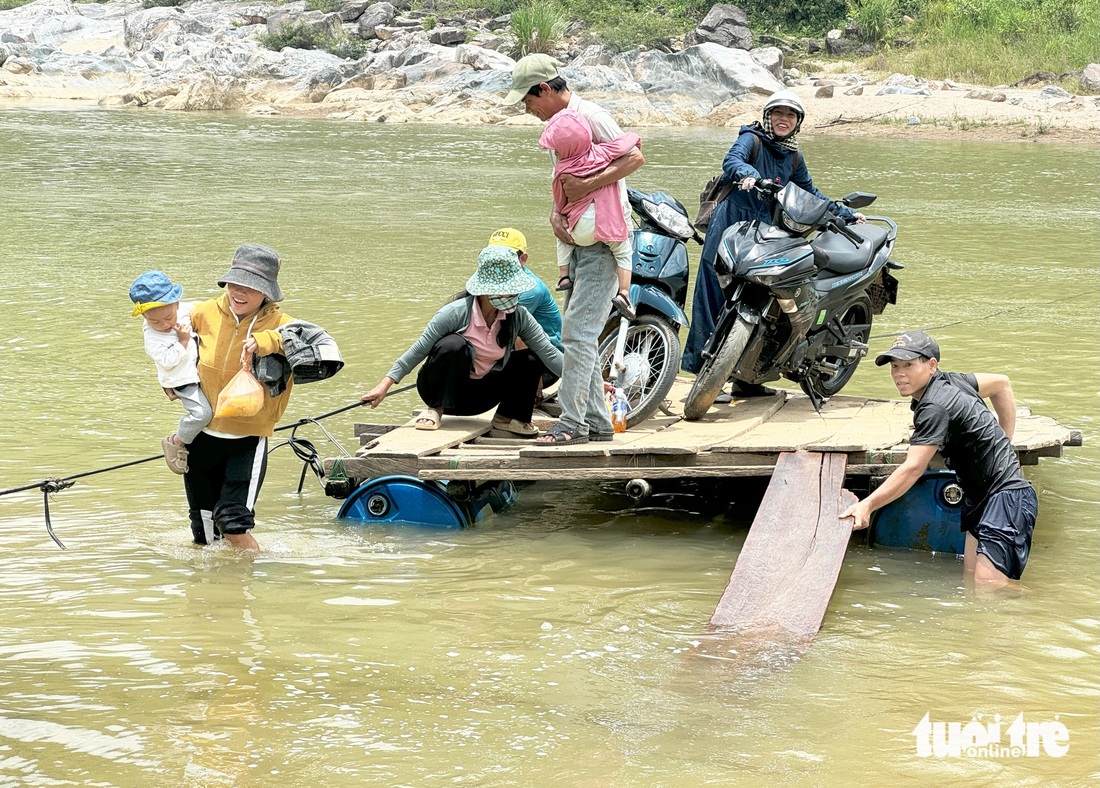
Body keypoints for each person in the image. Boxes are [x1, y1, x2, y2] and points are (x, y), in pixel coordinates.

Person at [504, 54, 645, 445]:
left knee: (577, 334)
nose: (527, 108)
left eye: (528, 100)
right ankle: (598, 423)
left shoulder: (591, 116)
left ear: (545, 90)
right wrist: (555, 213)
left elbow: (634, 156)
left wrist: (587, 186)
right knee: (578, 333)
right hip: (578, 238)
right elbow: (562, 179)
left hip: (602, 239)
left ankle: (572, 425)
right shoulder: (557, 126)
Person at [682, 89, 865, 386]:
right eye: (778, 113)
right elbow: (732, 161)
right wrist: (748, 174)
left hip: (765, 229)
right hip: (731, 222)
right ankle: (703, 374)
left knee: (763, 295)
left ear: (798, 122)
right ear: (768, 117)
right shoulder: (752, 139)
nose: (784, 119)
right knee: (715, 294)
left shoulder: (793, 156)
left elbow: (809, 192)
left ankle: (747, 381)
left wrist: (843, 213)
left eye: (790, 115)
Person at [841, 331, 1038, 588]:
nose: (899, 374)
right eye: (895, 366)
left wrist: (867, 505)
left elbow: (913, 468)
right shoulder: (953, 381)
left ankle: (1047, 607)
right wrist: (1004, 442)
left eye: (909, 365)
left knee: (989, 587)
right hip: (979, 497)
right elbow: (1002, 383)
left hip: (1006, 496)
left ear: (931, 365)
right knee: (970, 579)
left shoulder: (935, 406)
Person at [360, 245, 564, 438]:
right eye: (508, 290)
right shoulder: (455, 313)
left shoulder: (519, 316)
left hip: (482, 398)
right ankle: (435, 410)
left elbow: (548, 352)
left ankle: (508, 417)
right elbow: (418, 350)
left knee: (530, 357)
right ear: (485, 290)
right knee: (452, 344)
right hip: (446, 393)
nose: (514, 295)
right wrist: (383, 386)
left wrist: (584, 382)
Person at [184, 243, 298, 550]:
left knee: (233, 524)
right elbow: (160, 325)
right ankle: (212, 594)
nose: (240, 292)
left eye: (251, 287)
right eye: (236, 283)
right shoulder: (203, 312)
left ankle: (255, 581)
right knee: (203, 531)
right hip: (201, 437)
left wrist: (266, 341)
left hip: (247, 440)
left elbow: (317, 348)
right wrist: (168, 381)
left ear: (268, 292)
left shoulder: (283, 324)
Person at [538, 108, 640, 321]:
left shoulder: (562, 169)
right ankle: (624, 293)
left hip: (579, 230)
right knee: (623, 252)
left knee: (562, 236)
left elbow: (559, 199)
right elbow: (625, 144)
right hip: (608, 226)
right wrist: (634, 139)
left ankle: (563, 276)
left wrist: (559, 214)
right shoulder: (601, 152)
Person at [129, 270, 213, 475]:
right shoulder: (152, 338)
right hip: (182, 379)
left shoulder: (185, 309)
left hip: (198, 370)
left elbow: (208, 308)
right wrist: (183, 341)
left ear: (177, 303)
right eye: (154, 321)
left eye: (168, 317)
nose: (164, 325)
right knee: (202, 413)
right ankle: (177, 441)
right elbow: (167, 361)